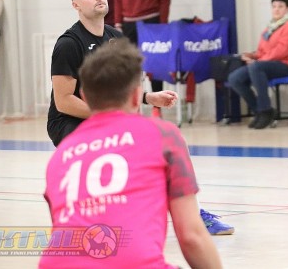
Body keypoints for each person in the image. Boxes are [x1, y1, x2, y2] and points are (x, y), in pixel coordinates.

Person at [49, 0, 235, 235]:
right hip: (70, 121)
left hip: (110, 117)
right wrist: (109, 116)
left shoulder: (116, 38)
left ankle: (193, 213)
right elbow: (63, 101)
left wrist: (148, 97)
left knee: (170, 143)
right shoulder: (68, 44)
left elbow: (122, 89)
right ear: (75, 5)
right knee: (113, 157)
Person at [42, 39, 222, 269]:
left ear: (84, 96)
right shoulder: (162, 135)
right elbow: (191, 237)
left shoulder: (61, 155)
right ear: (137, 96)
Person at [228, 0, 288, 130]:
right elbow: (262, 51)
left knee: (256, 67)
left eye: (280, 6)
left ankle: (264, 109)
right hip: (266, 64)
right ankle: (260, 111)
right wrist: (252, 55)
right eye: (274, 6)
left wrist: (259, 61)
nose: (276, 9)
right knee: (234, 78)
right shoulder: (269, 28)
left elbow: (282, 51)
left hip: (287, 65)